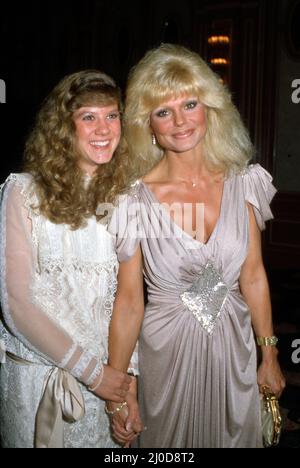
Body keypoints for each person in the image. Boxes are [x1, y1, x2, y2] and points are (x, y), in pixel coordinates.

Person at [107, 44, 286, 448]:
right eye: (163, 111)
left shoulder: (245, 181)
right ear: (146, 124)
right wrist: (120, 392)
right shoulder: (132, 200)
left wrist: (270, 353)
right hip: (164, 359)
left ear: (210, 107)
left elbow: (253, 275)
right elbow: (130, 302)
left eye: (189, 104)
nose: (179, 122)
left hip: (234, 353)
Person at [0, 70, 138, 448]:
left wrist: (127, 386)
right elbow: (18, 304)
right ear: (64, 127)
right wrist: (94, 374)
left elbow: (128, 302)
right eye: (89, 117)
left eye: (111, 116)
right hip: (40, 387)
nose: (103, 128)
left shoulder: (127, 200)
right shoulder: (22, 193)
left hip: (107, 390)